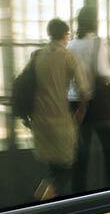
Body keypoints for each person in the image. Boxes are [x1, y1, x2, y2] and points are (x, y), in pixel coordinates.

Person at [29, 18, 91, 200]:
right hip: (60, 120)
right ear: (65, 35)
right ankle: (41, 202)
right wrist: (81, 109)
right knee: (66, 168)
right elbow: (84, 89)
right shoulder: (67, 56)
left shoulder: (37, 55)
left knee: (53, 167)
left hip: (39, 120)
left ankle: (47, 202)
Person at [68, 6, 110, 192]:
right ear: (94, 21)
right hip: (97, 103)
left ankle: (78, 193)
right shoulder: (97, 42)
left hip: (74, 102)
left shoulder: (71, 45)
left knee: (81, 152)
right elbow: (102, 71)